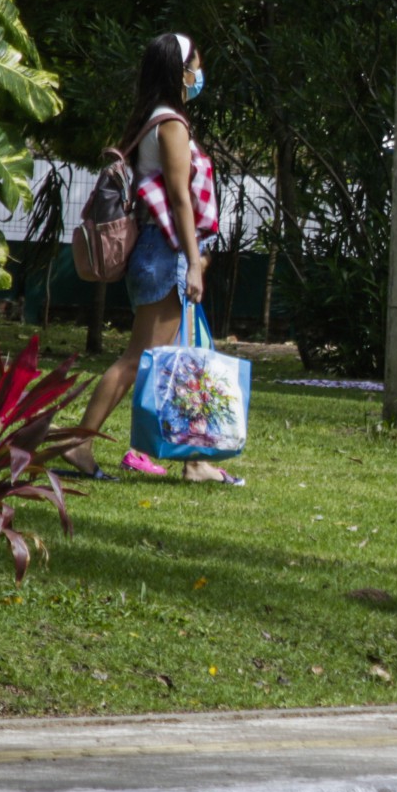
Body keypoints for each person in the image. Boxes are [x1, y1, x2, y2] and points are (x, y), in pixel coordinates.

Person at [56, 33, 243, 486]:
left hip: (156, 251)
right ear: (180, 73)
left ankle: (194, 460)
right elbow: (180, 200)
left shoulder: (151, 120)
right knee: (140, 356)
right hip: (165, 252)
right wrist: (195, 262)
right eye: (196, 65)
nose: (200, 75)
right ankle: (78, 442)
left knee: (180, 356)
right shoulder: (171, 125)